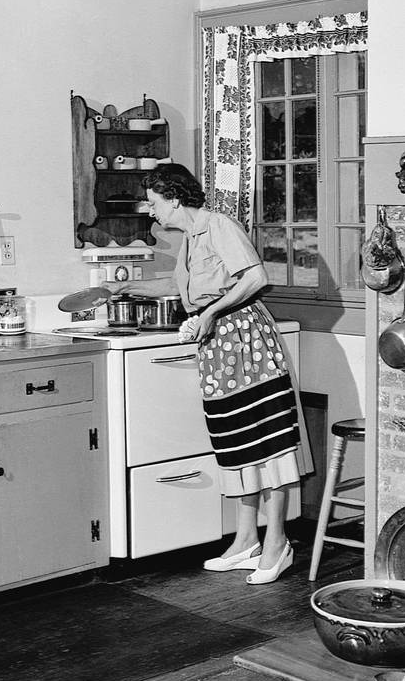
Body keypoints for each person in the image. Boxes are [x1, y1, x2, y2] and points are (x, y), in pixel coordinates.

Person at [104, 163, 309, 584]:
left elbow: (255, 276)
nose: (150, 211)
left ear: (175, 198)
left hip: (246, 339)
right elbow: (183, 290)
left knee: (265, 439)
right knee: (235, 440)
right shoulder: (190, 240)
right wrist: (125, 289)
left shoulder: (218, 226)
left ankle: (277, 543)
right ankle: (246, 540)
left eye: (154, 202)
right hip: (219, 347)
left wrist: (212, 312)